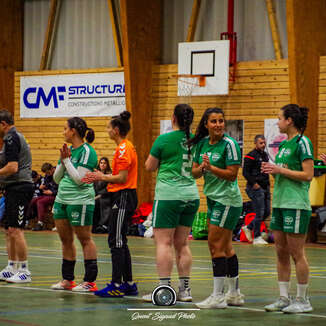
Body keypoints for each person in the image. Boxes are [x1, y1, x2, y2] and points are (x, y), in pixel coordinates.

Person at [142, 104, 200, 302]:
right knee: (182, 244)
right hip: (191, 195)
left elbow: (149, 166)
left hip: (169, 195)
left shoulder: (164, 139)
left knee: (164, 242)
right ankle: (185, 291)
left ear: (173, 118)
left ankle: (164, 290)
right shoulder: (196, 140)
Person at [190, 107, 244, 309]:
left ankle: (218, 296)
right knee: (226, 247)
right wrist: (202, 168)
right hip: (213, 199)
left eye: (221, 121)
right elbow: (194, 173)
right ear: (206, 124)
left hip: (227, 200)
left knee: (214, 244)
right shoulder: (202, 144)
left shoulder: (229, 145)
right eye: (214, 121)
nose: (218, 125)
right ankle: (235, 294)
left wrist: (211, 168)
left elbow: (231, 174)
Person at [262, 104, 314, 314]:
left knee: (296, 253)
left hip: (295, 205)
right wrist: (273, 171)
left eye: (280, 118)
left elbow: (308, 175)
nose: (277, 122)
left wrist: (280, 169)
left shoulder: (303, 143)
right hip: (280, 203)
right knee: (281, 252)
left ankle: (303, 299)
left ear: (289, 120)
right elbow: (285, 172)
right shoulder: (284, 145)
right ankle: (284, 298)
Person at [82, 111, 138, 298]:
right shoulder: (123, 147)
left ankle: (116, 284)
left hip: (123, 196)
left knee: (116, 240)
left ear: (115, 130)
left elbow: (122, 178)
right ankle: (128, 283)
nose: (106, 130)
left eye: (108, 127)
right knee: (120, 239)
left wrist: (101, 176)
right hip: (121, 196)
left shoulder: (123, 148)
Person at [51, 117, 99, 292]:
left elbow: (80, 180)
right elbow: (56, 178)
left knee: (85, 239)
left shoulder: (87, 151)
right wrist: (63, 160)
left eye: (65, 129)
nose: (63, 132)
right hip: (62, 199)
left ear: (74, 131)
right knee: (65, 240)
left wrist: (66, 161)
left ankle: (89, 281)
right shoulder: (68, 150)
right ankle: (67, 280)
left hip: (80, 200)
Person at [0, 109, 34, 283]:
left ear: (3, 124)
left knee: (17, 230)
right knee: (9, 230)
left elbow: (12, 167)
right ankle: (12, 266)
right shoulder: (9, 140)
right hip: (12, 188)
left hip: (20, 187)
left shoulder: (11, 138)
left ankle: (24, 270)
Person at [242, 135, 270, 245]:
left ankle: (248, 227)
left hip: (265, 186)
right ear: (255, 143)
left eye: (264, 143)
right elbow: (245, 173)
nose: (263, 145)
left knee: (267, 212)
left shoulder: (265, 155)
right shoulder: (250, 156)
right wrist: (254, 184)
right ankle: (257, 237)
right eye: (261, 143)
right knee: (259, 212)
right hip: (255, 188)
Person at [31, 163, 58, 231]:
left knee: (40, 202)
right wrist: (42, 187)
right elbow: (46, 185)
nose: (47, 174)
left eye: (48, 172)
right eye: (46, 173)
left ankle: (40, 223)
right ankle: (30, 217)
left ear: (52, 169)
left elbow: (63, 188)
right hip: (48, 195)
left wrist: (52, 192)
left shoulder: (59, 173)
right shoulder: (47, 175)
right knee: (34, 200)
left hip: (56, 196)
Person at [93, 157, 112, 234]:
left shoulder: (109, 175)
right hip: (95, 196)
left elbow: (108, 189)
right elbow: (93, 187)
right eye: (101, 163)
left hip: (106, 196)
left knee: (101, 201)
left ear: (107, 165)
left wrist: (98, 196)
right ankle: (93, 225)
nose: (103, 165)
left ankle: (102, 225)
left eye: (104, 163)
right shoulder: (95, 174)